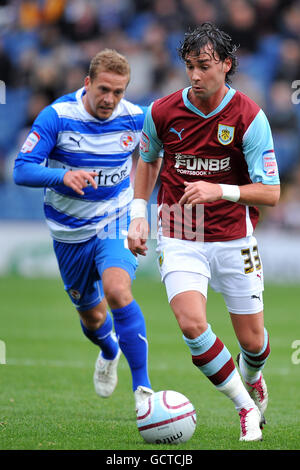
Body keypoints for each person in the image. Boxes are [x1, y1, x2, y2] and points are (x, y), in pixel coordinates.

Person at [128, 23, 280, 442]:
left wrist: (220, 190)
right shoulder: (160, 111)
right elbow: (147, 160)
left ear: (226, 65)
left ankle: (253, 375)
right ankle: (245, 407)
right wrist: (138, 213)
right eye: (190, 66)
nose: (195, 76)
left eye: (205, 66)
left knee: (254, 344)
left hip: (234, 236)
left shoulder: (250, 117)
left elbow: (270, 192)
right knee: (192, 324)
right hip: (179, 230)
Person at [13, 49, 154, 410]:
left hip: (114, 220)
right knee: (93, 318)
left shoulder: (136, 118)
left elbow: (159, 156)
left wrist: (140, 214)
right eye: (104, 89)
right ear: (87, 83)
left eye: (119, 92)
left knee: (118, 290)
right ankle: (109, 350)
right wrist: (62, 175)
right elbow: (22, 169)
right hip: (69, 232)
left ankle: (144, 392)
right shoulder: (57, 117)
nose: (110, 99)